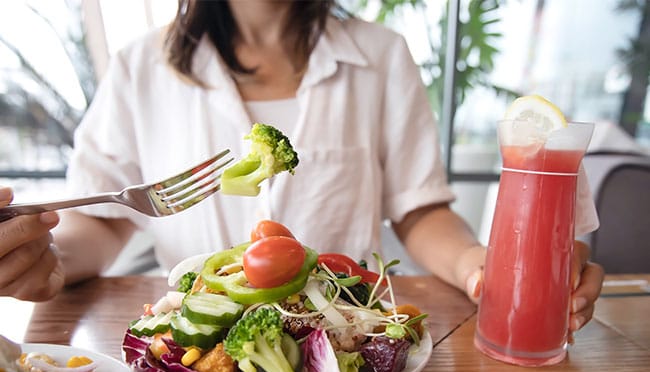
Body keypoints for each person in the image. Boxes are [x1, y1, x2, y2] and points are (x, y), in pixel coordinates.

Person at [0, 0, 602, 334]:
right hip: (197, 346)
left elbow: (419, 211)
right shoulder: (139, 68)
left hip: (351, 341)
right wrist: (42, 259)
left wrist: (481, 268)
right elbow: (103, 219)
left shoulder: (381, 55)